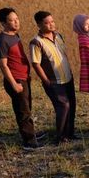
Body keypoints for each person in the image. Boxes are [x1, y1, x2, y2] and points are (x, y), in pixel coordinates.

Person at [0, 7, 41, 150]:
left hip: (24, 78)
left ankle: (30, 134)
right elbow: (3, 65)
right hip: (16, 80)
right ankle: (29, 142)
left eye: (17, 19)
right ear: (3, 23)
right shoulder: (2, 40)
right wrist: (13, 83)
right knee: (23, 110)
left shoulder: (15, 35)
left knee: (27, 108)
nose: (16, 22)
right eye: (11, 20)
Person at [30, 11, 77, 144]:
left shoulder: (58, 36)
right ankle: (60, 137)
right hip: (53, 81)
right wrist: (46, 80)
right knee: (64, 106)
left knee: (72, 105)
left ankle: (70, 134)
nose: (51, 24)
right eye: (47, 22)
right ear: (39, 25)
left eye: (52, 21)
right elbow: (35, 63)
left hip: (67, 78)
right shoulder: (36, 42)